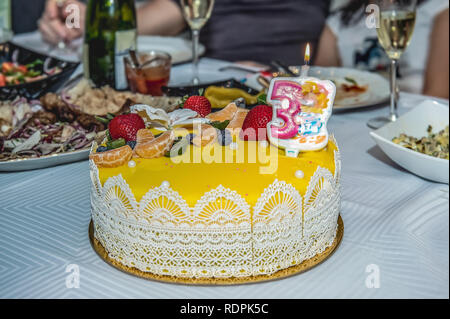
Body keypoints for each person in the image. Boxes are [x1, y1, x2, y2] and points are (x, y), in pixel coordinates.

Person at [38, 0, 331, 65]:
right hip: (217, 102)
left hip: (293, 105)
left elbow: (327, 47)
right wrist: (78, 19)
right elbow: (137, 22)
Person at [315, 0, 449, 99]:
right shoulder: (338, 22)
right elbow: (321, 85)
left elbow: (438, 95)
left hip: (412, 116)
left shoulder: (438, 9)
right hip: (354, 118)